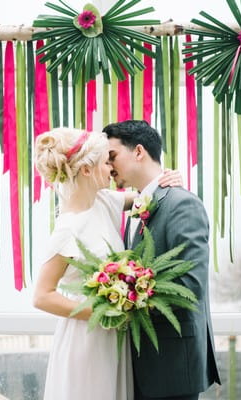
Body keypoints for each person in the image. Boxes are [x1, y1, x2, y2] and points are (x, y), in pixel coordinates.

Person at [33, 127, 182, 400]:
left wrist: (169, 175)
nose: (111, 168)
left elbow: (149, 193)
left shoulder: (105, 201)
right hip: (85, 339)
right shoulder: (68, 228)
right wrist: (102, 312)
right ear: (87, 170)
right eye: (105, 162)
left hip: (114, 339)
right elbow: (42, 296)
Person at [104, 119, 221, 400]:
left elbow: (189, 286)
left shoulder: (182, 204)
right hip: (140, 363)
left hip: (171, 366)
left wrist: (123, 307)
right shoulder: (139, 202)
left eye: (112, 156)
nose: (109, 167)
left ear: (139, 152)